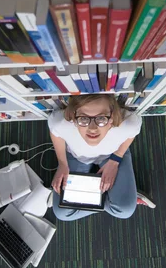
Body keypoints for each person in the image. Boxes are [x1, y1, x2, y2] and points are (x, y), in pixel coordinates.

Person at [48, 93, 155, 221]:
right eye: (83, 118)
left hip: (113, 153)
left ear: (111, 119)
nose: (92, 129)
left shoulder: (128, 123)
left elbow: (132, 133)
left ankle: (114, 197)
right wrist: (62, 164)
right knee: (62, 213)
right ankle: (117, 198)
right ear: (74, 119)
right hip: (76, 156)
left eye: (101, 119)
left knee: (125, 210)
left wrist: (116, 159)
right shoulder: (61, 122)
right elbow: (55, 132)